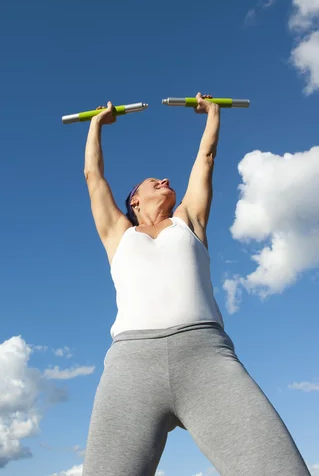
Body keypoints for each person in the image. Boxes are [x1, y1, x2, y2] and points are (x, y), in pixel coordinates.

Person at [82, 93, 309, 476]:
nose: (166, 181)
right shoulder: (118, 232)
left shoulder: (190, 220)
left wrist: (213, 115)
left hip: (205, 359)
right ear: (134, 199)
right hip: (131, 368)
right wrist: (96, 125)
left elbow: (205, 159)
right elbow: (93, 175)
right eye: (155, 181)